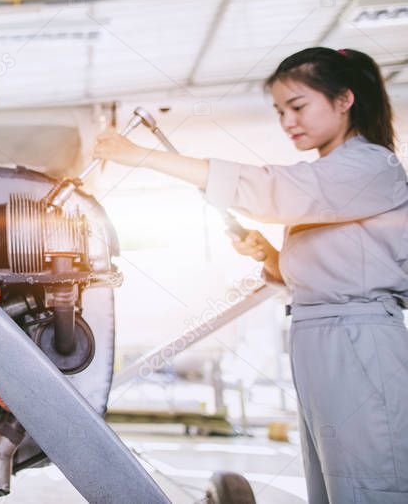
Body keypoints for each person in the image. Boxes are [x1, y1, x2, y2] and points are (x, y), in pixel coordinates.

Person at [94, 47, 408, 502]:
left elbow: (267, 188)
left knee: (371, 483)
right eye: (280, 111)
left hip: (357, 341)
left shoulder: (369, 166)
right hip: (321, 337)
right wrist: (269, 255)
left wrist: (140, 156)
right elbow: (326, 274)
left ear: (344, 100)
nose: (287, 122)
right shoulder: (331, 176)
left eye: (298, 107)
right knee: (335, 486)